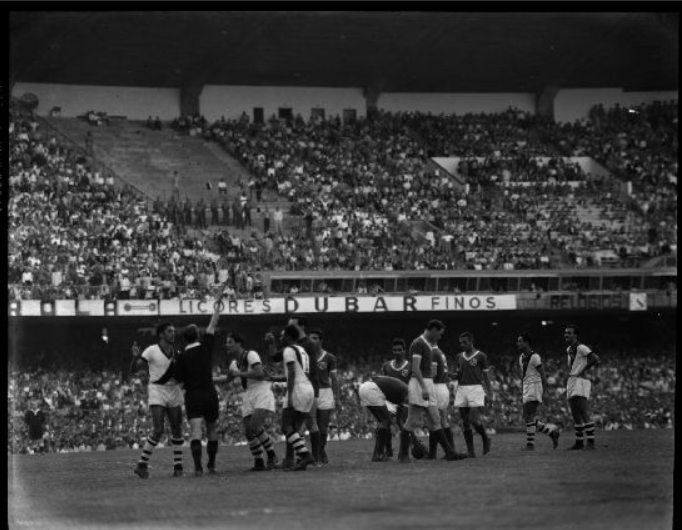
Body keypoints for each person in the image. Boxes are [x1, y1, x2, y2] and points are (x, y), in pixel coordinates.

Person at [154, 286, 223, 476]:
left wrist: (160, 382)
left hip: (193, 395)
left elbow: (175, 378)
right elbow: (212, 324)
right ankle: (211, 465)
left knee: (195, 432)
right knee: (212, 429)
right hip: (209, 393)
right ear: (198, 336)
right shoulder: (205, 347)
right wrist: (217, 308)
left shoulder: (181, 357)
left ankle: (198, 468)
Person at [397, 319, 461, 463]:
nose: (440, 337)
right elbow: (415, 368)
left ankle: (450, 453)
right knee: (412, 421)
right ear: (433, 329)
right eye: (439, 333)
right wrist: (424, 388)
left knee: (436, 420)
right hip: (421, 384)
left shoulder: (427, 344)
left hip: (427, 383)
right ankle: (403, 455)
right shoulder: (418, 343)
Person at [265, 316, 321, 468]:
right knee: (295, 428)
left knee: (285, 426)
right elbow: (297, 372)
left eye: (283, 335)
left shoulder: (289, 350)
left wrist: (289, 396)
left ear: (289, 337)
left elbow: (292, 374)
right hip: (307, 388)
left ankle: (305, 455)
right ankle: (302, 459)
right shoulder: (301, 350)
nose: (281, 337)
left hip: (298, 390)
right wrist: (273, 378)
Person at [131, 322, 185, 478]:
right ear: (161, 334)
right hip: (157, 389)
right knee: (158, 429)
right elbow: (134, 370)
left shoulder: (177, 353)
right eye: (169, 331)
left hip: (173, 389)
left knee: (177, 429)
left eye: (174, 331)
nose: (173, 334)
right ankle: (142, 464)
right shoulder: (152, 350)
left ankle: (178, 466)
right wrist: (135, 358)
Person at [219, 331, 278, 471]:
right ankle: (259, 461)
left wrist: (239, 374)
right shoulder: (234, 363)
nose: (226, 345)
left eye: (229, 342)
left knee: (256, 426)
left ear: (238, 343)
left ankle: (272, 455)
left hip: (261, 390)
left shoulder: (251, 354)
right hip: (249, 392)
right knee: (248, 431)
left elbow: (260, 373)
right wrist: (206, 381)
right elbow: (228, 380)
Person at [517, 332, 560, 451]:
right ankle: (552, 434)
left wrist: (545, 391)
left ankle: (530, 445)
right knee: (527, 417)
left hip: (535, 387)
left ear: (527, 342)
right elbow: (524, 374)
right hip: (526, 387)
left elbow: (542, 374)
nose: (518, 343)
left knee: (528, 415)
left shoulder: (534, 356)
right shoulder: (521, 357)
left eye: (520, 341)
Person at [453, 331, 492, 458]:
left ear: (471, 341)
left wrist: (490, 393)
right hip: (462, 389)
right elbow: (459, 376)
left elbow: (486, 376)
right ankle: (471, 451)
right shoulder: (459, 356)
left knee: (474, 420)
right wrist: (448, 374)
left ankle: (485, 438)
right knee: (465, 422)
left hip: (476, 388)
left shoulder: (481, 356)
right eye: (460, 343)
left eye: (465, 342)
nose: (462, 344)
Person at [564, 324, 600, 450]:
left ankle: (591, 442)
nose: (566, 335)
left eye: (569, 333)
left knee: (583, 411)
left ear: (575, 335)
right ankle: (579, 442)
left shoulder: (581, 347)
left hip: (580, 380)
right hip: (572, 380)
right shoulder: (569, 349)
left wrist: (582, 370)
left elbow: (595, 358)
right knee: (575, 413)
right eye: (566, 333)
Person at [358, 376, 409, 462]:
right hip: (372, 389)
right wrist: (413, 439)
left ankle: (381, 454)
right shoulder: (408, 393)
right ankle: (379, 454)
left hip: (364, 388)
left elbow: (399, 420)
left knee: (383, 422)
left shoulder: (404, 392)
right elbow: (404, 423)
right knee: (386, 421)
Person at [429, 345, 466, 459]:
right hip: (443, 387)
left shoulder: (432, 352)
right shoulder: (440, 352)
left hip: (435, 387)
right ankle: (450, 450)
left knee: (433, 422)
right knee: (443, 421)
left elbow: (433, 373)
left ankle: (436, 453)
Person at [309, 328, 340, 465]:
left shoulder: (330, 358)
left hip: (325, 393)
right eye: (311, 338)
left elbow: (334, 378)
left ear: (321, 340)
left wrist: (337, 397)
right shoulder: (306, 357)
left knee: (323, 427)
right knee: (313, 427)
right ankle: (319, 453)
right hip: (310, 393)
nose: (312, 341)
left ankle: (319, 452)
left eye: (315, 338)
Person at [381, 338, 410, 453]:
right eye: (394, 350)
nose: (397, 352)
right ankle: (388, 449)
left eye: (399, 350)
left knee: (403, 425)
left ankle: (405, 450)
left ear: (404, 351)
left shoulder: (410, 366)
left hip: (405, 400)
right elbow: (384, 383)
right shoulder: (386, 365)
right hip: (390, 400)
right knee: (385, 422)